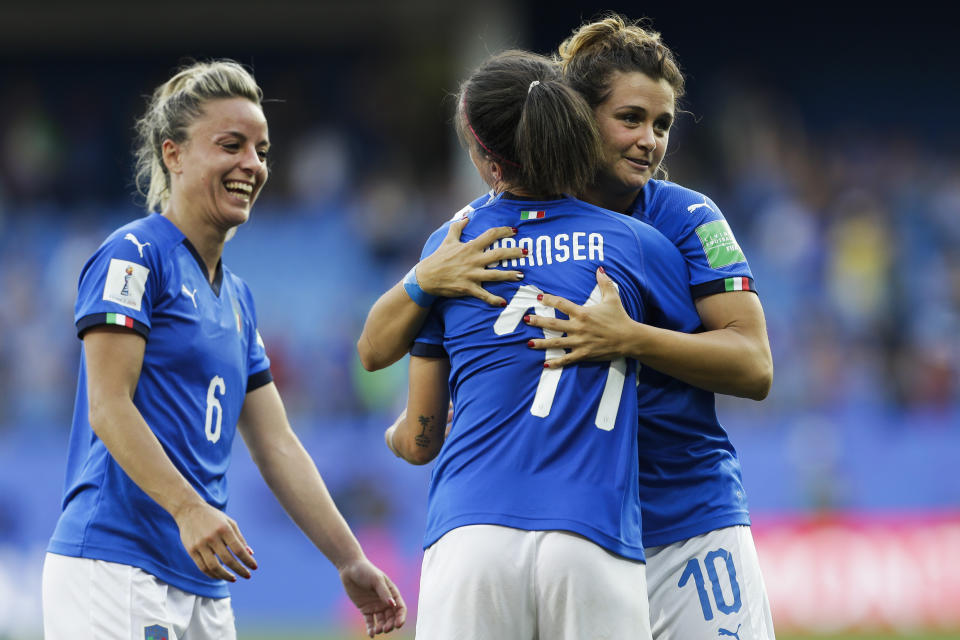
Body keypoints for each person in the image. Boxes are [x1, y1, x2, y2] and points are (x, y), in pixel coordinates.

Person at [358, 14, 776, 640]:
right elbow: (377, 345)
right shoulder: (476, 231)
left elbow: (755, 365)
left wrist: (629, 338)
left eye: (662, 124)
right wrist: (427, 275)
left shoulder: (686, 217)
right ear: (575, 116)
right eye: (630, 118)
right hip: (585, 522)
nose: (651, 142)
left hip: (684, 518)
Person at [42, 59, 405, 640]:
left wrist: (348, 558)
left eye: (261, 149)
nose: (252, 165)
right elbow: (109, 407)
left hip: (204, 578)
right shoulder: (133, 256)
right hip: (116, 566)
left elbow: (277, 443)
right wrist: (188, 509)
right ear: (174, 154)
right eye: (231, 145)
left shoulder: (237, 299)